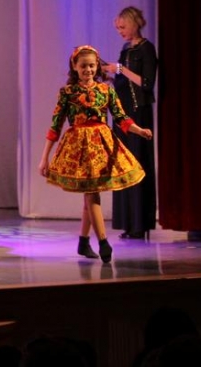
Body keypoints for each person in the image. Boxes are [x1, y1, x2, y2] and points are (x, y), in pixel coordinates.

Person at [39, 45, 152, 263]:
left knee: (91, 194)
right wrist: (45, 158)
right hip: (79, 149)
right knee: (92, 194)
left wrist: (139, 130)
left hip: (101, 147)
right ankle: (103, 242)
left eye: (92, 65)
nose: (88, 70)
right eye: (83, 66)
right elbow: (55, 126)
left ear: (97, 66)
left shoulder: (106, 90)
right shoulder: (68, 93)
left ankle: (83, 241)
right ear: (75, 66)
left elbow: (120, 117)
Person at [101, 6, 158, 240]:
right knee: (122, 165)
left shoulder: (146, 49)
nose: (120, 32)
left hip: (139, 113)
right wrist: (109, 75)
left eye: (123, 27)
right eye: (117, 28)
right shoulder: (126, 49)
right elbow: (123, 83)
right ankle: (127, 222)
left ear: (134, 24)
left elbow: (146, 83)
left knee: (138, 163)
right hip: (123, 113)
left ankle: (140, 223)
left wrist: (121, 69)